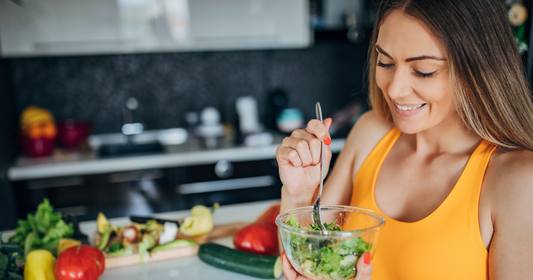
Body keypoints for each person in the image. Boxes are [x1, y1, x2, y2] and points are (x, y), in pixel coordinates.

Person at [275, 0, 533, 279]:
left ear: (479, 68)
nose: (395, 90)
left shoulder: (517, 182)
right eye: (385, 62)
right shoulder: (369, 133)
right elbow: (306, 262)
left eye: (423, 70)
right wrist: (300, 195)